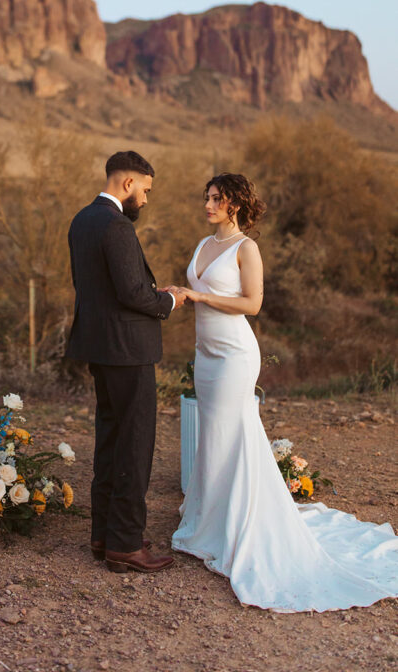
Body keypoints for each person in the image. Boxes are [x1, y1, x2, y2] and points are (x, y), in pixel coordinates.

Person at [171, 173, 398, 612]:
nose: (208, 204)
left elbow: (252, 304)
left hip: (235, 355)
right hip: (206, 354)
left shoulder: (246, 248)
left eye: (216, 199)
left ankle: (241, 526)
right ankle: (209, 522)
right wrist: (179, 296)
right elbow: (198, 292)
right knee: (214, 434)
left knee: (236, 431)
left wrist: (197, 299)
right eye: (207, 197)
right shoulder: (202, 245)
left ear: (234, 204)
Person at [66, 150, 185, 574]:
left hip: (99, 348)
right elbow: (133, 293)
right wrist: (170, 299)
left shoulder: (81, 220)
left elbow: (93, 287)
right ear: (128, 183)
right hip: (128, 351)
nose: (147, 200)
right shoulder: (116, 225)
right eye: (146, 190)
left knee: (111, 440)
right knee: (134, 446)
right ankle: (126, 545)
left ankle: (104, 536)